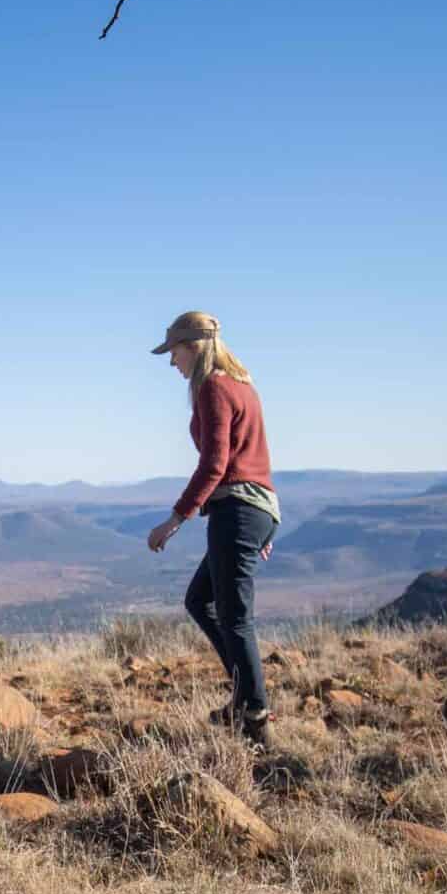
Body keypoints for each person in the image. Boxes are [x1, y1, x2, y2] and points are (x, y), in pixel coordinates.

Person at [144, 311, 281, 749]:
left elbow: (215, 464)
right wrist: (266, 526)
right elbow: (256, 459)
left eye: (175, 352)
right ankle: (244, 698)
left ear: (194, 347)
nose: (172, 363)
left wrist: (175, 519)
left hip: (237, 510)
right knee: (199, 600)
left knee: (235, 617)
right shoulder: (243, 385)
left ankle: (255, 715)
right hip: (255, 509)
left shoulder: (214, 387)